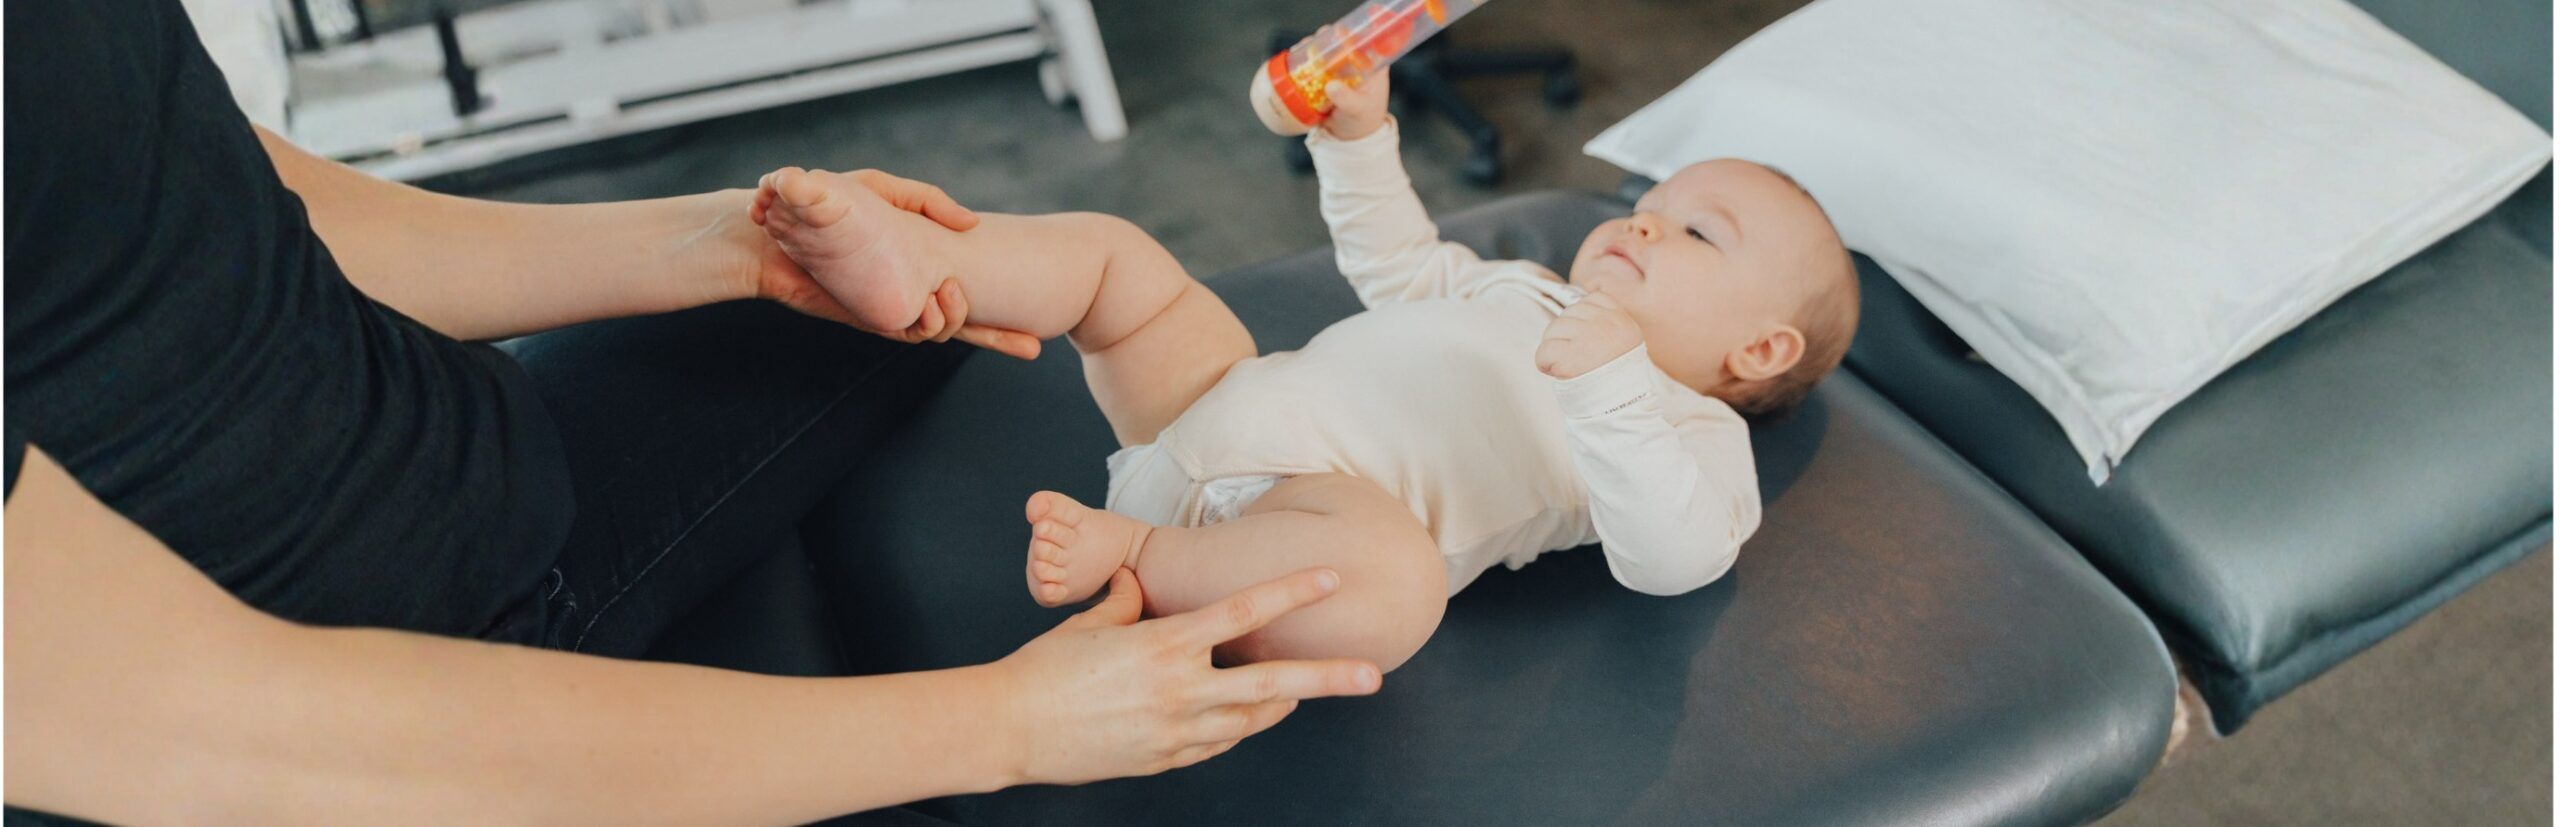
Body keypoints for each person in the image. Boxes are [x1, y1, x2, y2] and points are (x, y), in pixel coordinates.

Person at [3, 1, 1383, 823]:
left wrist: (730, 250)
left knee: (908, 296)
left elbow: (216, 200)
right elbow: (207, 726)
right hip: (366, 729)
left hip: (481, 461)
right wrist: (1009, 719)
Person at [745, 74, 1861, 673]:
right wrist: (1357, 142)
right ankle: (924, 264)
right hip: (1220, 399)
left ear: (1756, 351)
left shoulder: (1684, 429)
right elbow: (1397, 267)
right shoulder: (1523, 287)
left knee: (1395, 586)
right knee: (1119, 261)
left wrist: (1612, 385)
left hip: (1298, 527)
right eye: (1647, 210)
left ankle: (1142, 552)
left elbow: (1671, 560)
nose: (1647, 230)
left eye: (1696, 237)